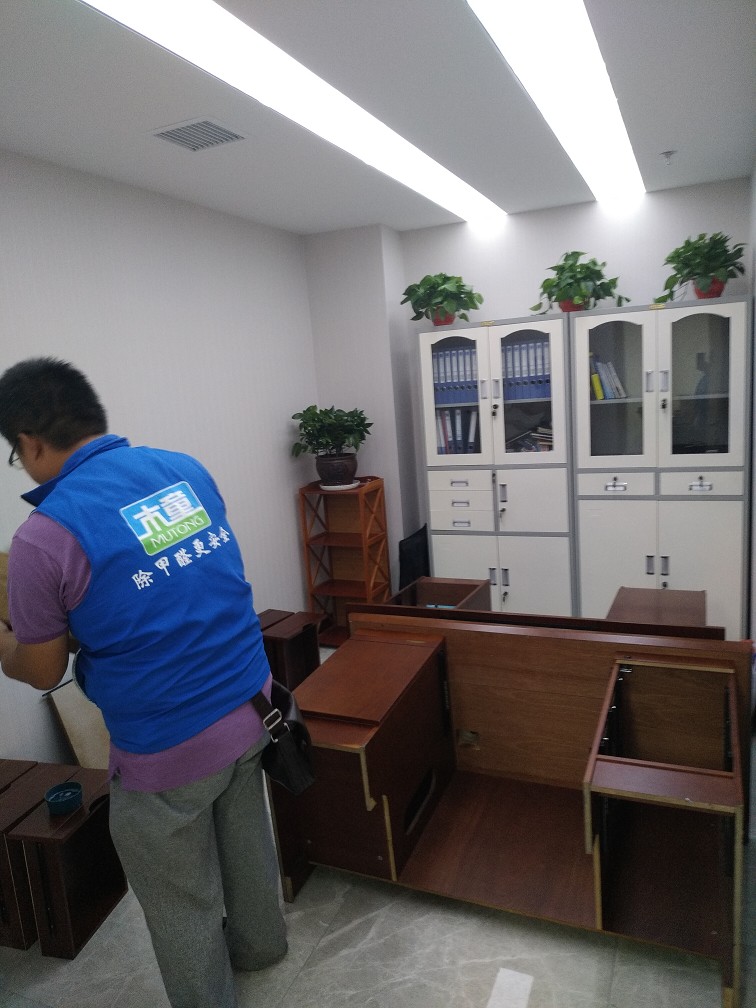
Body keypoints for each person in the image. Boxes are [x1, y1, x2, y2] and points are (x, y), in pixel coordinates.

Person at [0, 357, 287, 1008]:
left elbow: (42, 670)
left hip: (167, 748)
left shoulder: (44, 539)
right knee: (247, 845)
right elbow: (185, 584)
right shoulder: (184, 470)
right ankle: (263, 948)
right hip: (254, 705)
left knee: (181, 899)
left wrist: (5, 644)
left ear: (30, 443)